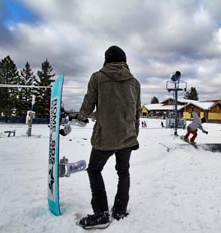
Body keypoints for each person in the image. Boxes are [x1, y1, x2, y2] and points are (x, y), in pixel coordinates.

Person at [76, 45, 141, 229]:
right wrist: (135, 136)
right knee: (123, 172)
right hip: (127, 138)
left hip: (105, 137)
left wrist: (80, 117)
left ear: (106, 60)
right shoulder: (135, 83)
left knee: (94, 170)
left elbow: (89, 102)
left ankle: (101, 214)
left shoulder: (97, 77)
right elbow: (137, 112)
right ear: (124, 61)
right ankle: (120, 210)